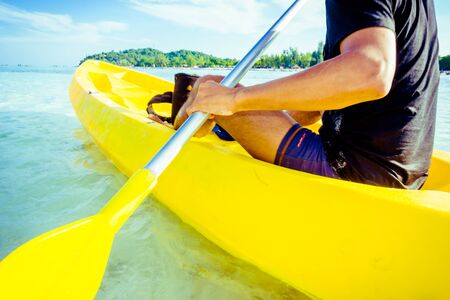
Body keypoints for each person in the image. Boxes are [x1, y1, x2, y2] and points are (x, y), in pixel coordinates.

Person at [174, 0, 440, 189]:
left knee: (210, 84)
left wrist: (234, 101)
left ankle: (175, 127)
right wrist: (253, 125)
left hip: (353, 170)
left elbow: (370, 71)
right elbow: (318, 107)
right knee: (217, 95)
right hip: (407, 175)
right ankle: (207, 124)